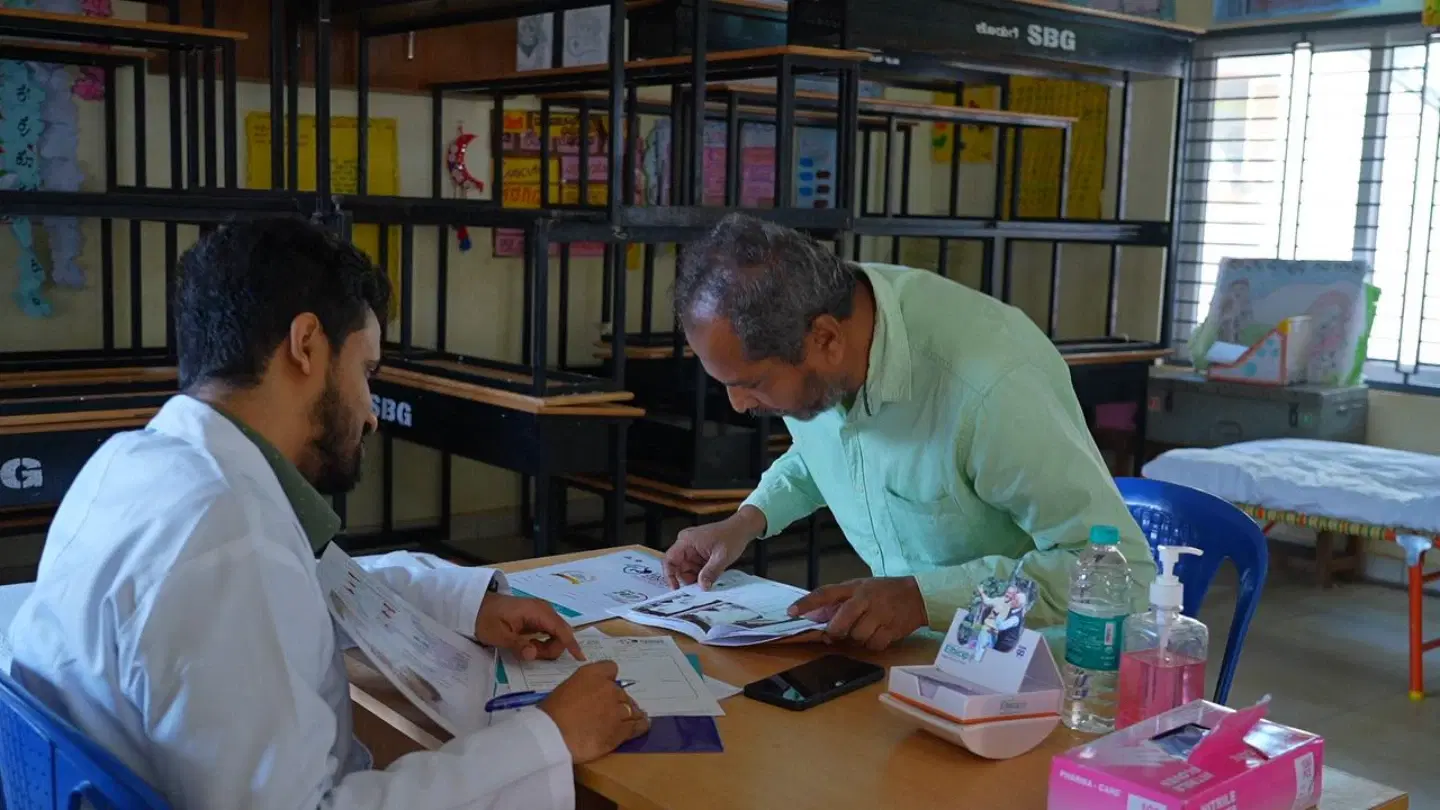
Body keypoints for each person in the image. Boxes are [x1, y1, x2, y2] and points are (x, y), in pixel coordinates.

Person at [7, 218, 648, 810]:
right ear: (306, 344)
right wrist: (547, 738)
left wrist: (464, 604)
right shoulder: (230, 536)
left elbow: (313, 585)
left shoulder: (142, 465)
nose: (371, 412)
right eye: (366, 371)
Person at [663, 213, 1155, 654]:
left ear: (827, 338)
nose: (740, 405)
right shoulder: (819, 327)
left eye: (752, 384)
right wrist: (748, 519)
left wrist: (924, 599)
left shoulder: (990, 389)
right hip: (923, 652)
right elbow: (831, 443)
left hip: (1044, 669)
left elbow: (1120, 573)